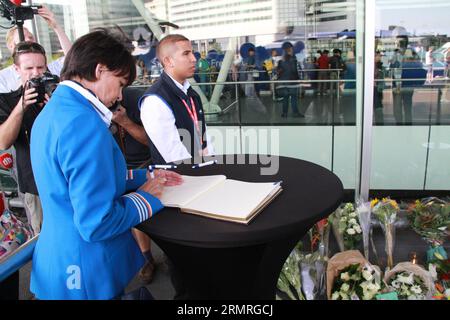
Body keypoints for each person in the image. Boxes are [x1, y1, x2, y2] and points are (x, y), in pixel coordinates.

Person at [29, 29, 183, 300]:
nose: (120, 95)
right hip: (87, 269)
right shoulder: (84, 124)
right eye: (121, 83)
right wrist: (148, 197)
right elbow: (97, 222)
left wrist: (144, 175)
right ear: (100, 70)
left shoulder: (52, 112)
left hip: (59, 258)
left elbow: (76, 182)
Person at [0, 42, 52, 236]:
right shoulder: (8, 100)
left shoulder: (58, 95)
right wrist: (21, 106)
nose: (35, 73)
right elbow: (3, 142)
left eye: (40, 67)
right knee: (44, 237)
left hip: (66, 179)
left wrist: (55, 105)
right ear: (16, 69)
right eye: (29, 68)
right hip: (35, 184)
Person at [140, 34, 214, 164]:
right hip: (178, 179)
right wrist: (202, 172)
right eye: (186, 54)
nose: (193, 59)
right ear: (168, 61)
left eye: (192, 53)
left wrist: (212, 164)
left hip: (200, 172)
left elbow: (204, 136)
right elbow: (174, 155)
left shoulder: (191, 93)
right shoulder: (155, 101)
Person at [0, 5, 72, 93]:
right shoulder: (3, 78)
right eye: (29, 68)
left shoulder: (48, 69)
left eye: (31, 37)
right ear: (11, 46)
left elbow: (72, 59)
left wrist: (56, 26)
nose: (28, 41)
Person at [277, 42, 303, 118]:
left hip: (284, 82)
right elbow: (294, 70)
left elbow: (278, 71)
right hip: (292, 81)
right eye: (291, 48)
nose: (292, 49)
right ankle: (295, 113)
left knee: (285, 98)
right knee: (294, 98)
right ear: (289, 49)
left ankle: (284, 113)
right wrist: (299, 79)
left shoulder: (281, 60)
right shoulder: (293, 59)